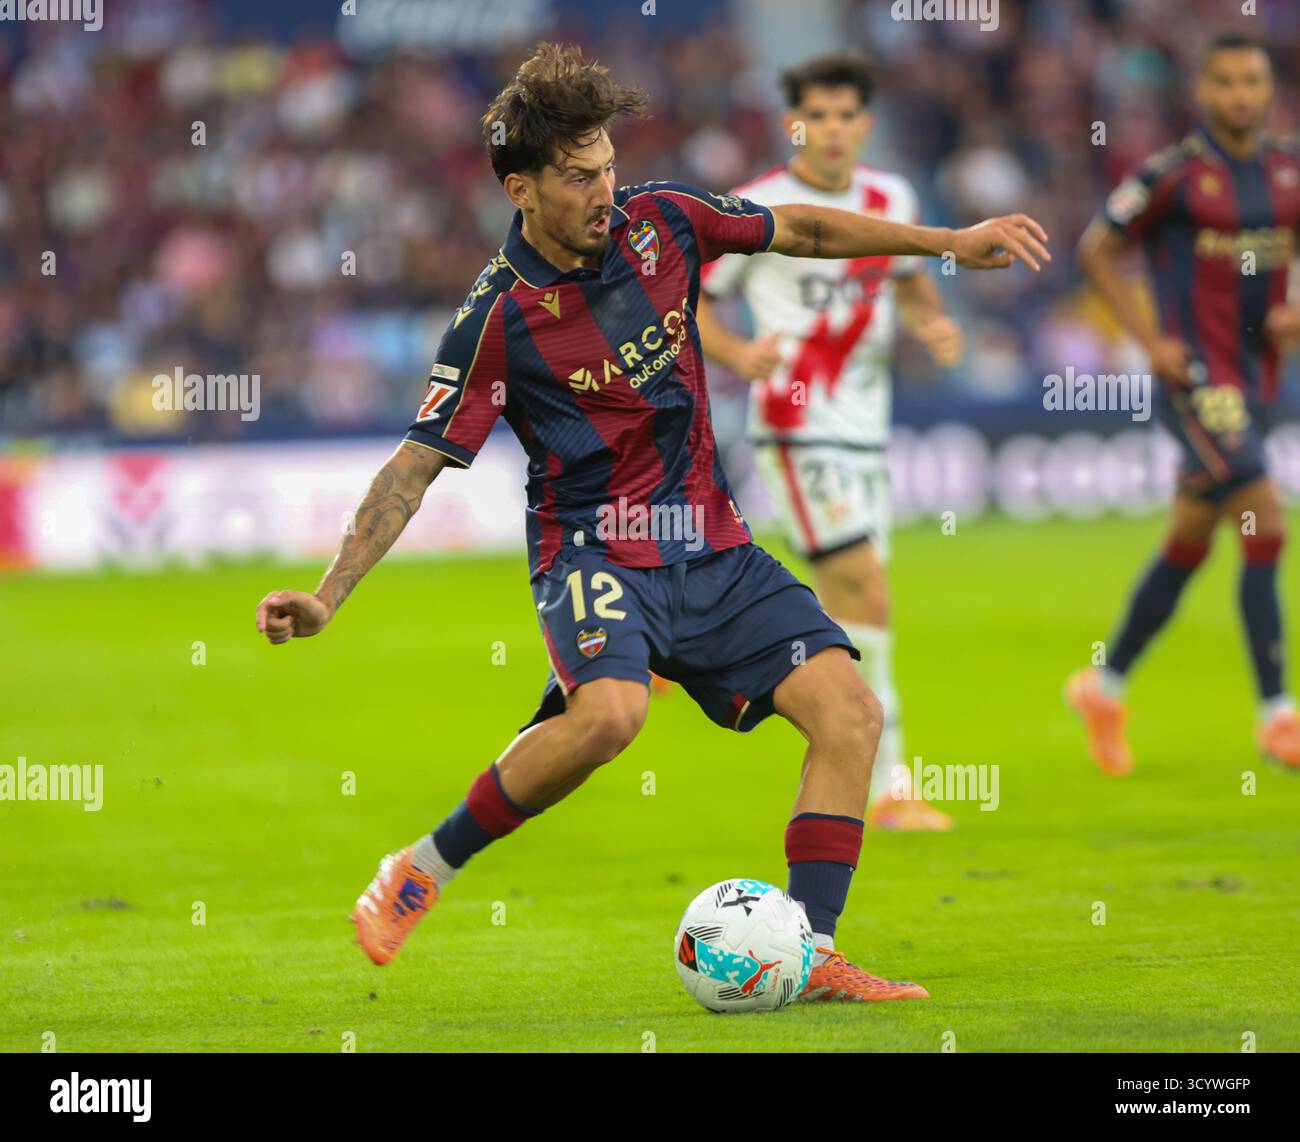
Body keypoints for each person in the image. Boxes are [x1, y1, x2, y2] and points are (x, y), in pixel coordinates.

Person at [256, 42, 1048, 1001]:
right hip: (591, 551)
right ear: (521, 188)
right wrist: (330, 595)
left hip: (711, 543)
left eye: (608, 168)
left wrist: (945, 242)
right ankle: (423, 865)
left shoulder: (664, 224)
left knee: (851, 712)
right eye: (580, 177)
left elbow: (794, 226)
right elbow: (414, 468)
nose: (606, 190)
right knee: (612, 716)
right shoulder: (496, 320)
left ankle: (807, 949)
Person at [697, 52, 962, 830]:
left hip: (866, 432)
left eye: (849, 116)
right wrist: (740, 355)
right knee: (862, 586)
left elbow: (913, 280)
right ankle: (891, 784)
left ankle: (679, 639)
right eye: (822, 116)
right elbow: (700, 302)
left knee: (850, 598)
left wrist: (933, 323)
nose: (836, 130)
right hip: (794, 424)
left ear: (865, 123)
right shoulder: (757, 206)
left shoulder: (891, 197)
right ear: (795, 124)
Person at [1067, 33, 1300, 774]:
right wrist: (1148, 340)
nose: (1241, 95)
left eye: (1252, 81)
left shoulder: (1289, 170)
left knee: (1190, 543)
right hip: (1195, 379)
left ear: (1268, 89)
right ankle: (1279, 716)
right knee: (1266, 528)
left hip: (1257, 381)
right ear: (1203, 90)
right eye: (1226, 81)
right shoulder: (1171, 177)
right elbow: (1096, 249)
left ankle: (1103, 687)